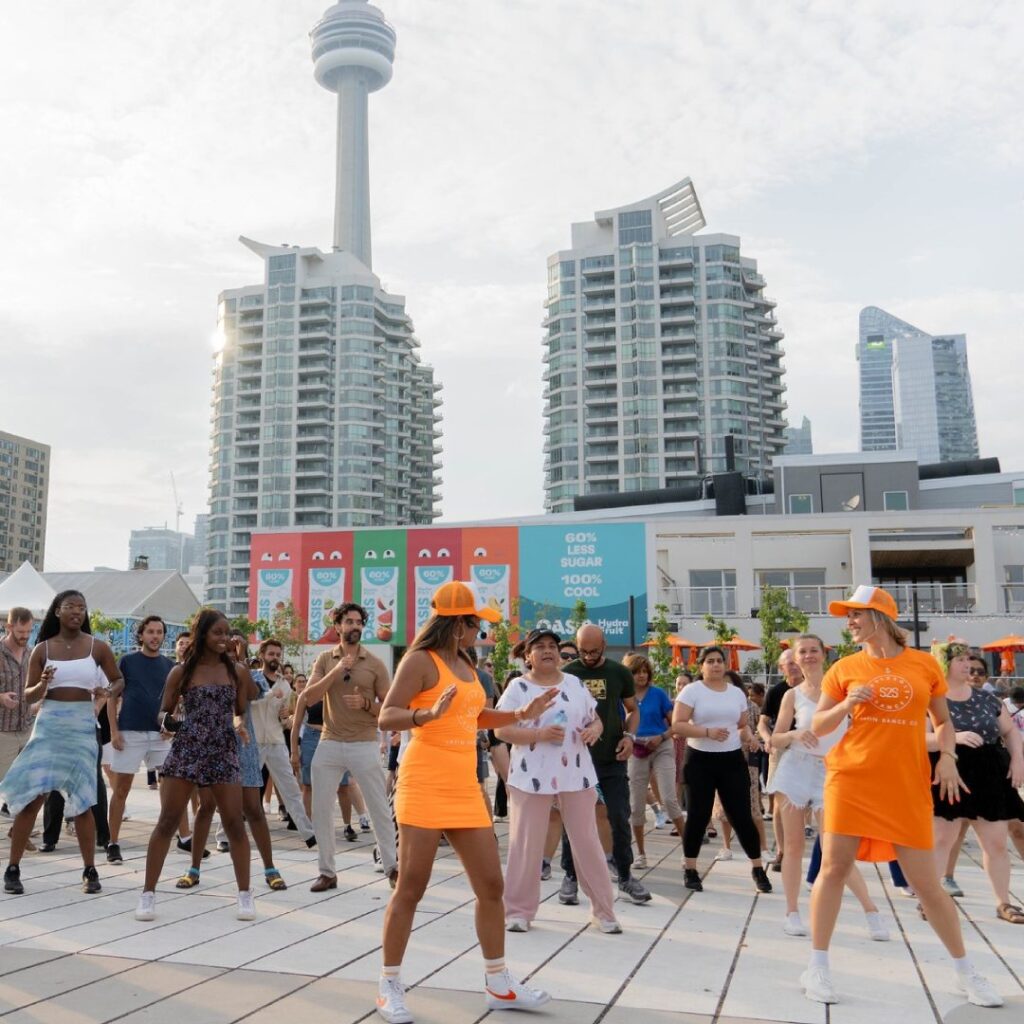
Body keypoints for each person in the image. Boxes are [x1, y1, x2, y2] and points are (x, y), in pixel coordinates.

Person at [803, 585, 1001, 1007]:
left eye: (857, 615)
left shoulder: (924, 664)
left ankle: (967, 972)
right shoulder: (844, 668)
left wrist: (947, 756)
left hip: (906, 784)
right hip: (850, 779)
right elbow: (818, 726)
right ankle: (817, 966)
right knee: (834, 868)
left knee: (927, 884)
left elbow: (942, 721)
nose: (850, 624)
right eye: (848, 617)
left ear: (881, 617)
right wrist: (845, 706)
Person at [376, 581, 557, 1024]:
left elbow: (474, 717)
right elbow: (387, 715)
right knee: (411, 888)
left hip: (463, 783)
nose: (483, 631)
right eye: (478, 623)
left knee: (491, 886)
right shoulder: (420, 660)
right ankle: (389, 985)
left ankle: (499, 983)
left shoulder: (466, 661)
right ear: (458, 624)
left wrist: (520, 714)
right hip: (423, 780)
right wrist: (426, 715)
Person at [135, 609, 255, 921]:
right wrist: (169, 722)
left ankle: (245, 894)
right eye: (218, 632)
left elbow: (240, 710)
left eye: (227, 633)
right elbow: (162, 712)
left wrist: (239, 724)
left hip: (223, 748)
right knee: (168, 820)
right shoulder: (181, 672)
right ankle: (148, 894)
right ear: (202, 634)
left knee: (233, 823)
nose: (224, 638)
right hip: (187, 747)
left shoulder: (238, 671)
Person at [766, 635, 889, 940]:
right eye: (802, 652)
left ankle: (871, 911)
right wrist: (796, 735)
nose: (808, 656)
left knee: (837, 852)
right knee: (792, 846)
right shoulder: (792, 695)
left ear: (824, 654)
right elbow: (776, 738)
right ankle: (792, 912)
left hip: (834, 771)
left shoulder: (844, 689)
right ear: (795, 658)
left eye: (813, 651)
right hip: (795, 769)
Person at [496, 628, 618, 933]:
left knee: (587, 841)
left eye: (552, 645)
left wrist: (595, 730)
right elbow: (501, 730)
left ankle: (604, 911)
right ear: (528, 656)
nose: (548, 651)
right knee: (526, 843)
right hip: (530, 776)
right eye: (540, 647)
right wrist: (538, 735)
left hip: (575, 773)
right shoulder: (518, 688)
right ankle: (518, 911)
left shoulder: (575, 684)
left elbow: (595, 717)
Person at [1, 591, 121, 896]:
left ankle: (89, 870)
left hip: (82, 727)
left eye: (82, 607)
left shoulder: (98, 647)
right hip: (50, 725)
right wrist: (42, 683)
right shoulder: (42, 649)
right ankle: (13, 868)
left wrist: (108, 689)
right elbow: (28, 695)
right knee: (33, 798)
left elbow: (119, 679)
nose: (77, 612)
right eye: (70, 607)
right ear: (58, 611)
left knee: (83, 802)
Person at [927, 641, 1024, 924]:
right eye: (959, 660)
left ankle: (1003, 902)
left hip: (989, 773)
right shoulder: (930, 699)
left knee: (995, 842)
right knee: (942, 839)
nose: (967, 664)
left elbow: (1009, 732)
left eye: (968, 659)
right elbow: (916, 739)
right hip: (950, 771)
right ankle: (930, 900)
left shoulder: (987, 699)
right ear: (943, 664)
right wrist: (952, 737)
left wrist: (1018, 759)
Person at [304, 602, 397, 892]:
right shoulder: (325, 659)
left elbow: (390, 709)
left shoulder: (374, 663)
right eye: (349, 621)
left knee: (379, 808)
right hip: (329, 741)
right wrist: (337, 671)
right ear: (338, 626)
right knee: (320, 809)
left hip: (364, 743)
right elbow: (308, 698)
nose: (355, 626)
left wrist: (366, 704)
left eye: (359, 622)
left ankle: (393, 867)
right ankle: (327, 872)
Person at [560, 625, 652, 906]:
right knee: (574, 821)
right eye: (583, 651)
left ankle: (625, 875)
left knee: (618, 816)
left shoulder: (619, 673)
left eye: (594, 651)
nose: (588, 657)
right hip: (576, 759)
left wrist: (629, 736)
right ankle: (571, 877)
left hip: (612, 756)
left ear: (604, 645)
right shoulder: (568, 675)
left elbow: (633, 710)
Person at [672, 647, 772, 894]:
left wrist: (750, 738)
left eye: (719, 661)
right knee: (698, 815)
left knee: (742, 815)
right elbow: (678, 725)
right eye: (710, 661)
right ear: (701, 666)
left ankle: (757, 868)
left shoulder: (736, 693)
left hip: (731, 759)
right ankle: (691, 868)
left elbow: (741, 725)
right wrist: (707, 732)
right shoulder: (692, 691)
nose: (716, 665)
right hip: (699, 759)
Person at [105, 616, 175, 863]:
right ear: (142, 635)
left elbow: (175, 702)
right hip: (129, 732)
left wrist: (172, 727)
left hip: (160, 735)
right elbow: (112, 697)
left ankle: (169, 839)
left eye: (159, 632)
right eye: (151, 632)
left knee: (170, 790)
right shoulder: (127, 661)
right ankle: (112, 842)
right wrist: (113, 731)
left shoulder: (170, 665)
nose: (155, 636)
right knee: (121, 789)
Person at [249, 638, 316, 846]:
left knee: (291, 788)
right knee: (244, 789)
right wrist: (270, 695)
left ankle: (308, 834)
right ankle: (223, 836)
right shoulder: (252, 678)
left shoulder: (285, 684)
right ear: (262, 655)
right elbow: (249, 701)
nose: (275, 658)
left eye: (278, 655)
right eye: (271, 654)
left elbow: (284, 720)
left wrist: (286, 717)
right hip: (254, 742)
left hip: (277, 742)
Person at [622, 653, 684, 867]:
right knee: (636, 805)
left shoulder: (658, 694)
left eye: (644, 671)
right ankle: (640, 853)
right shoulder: (623, 697)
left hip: (661, 746)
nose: (641, 675)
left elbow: (675, 723)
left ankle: (688, 848)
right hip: (636, 748)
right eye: (636, 671)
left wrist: (662, 737)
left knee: (669, 798)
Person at [757, 649, 803, 869]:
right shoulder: (776, 692)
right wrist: (767, 739)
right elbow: (762, 722)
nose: (793, 666)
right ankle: (782, 851)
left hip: (808, 749)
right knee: (778, 803)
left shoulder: (813, 688)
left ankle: (803, 850)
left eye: (795, 662)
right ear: (781, 668)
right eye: (788, 663)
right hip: (782, 748)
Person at [1, 608, 34, 852]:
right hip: (3, 730)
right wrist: (1, 697)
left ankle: (19, 831)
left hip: (28, 728)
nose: (25, 636)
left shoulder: (33, 654)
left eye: (29, 631)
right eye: (21, 631)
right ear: (8, 627)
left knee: (29, 785)